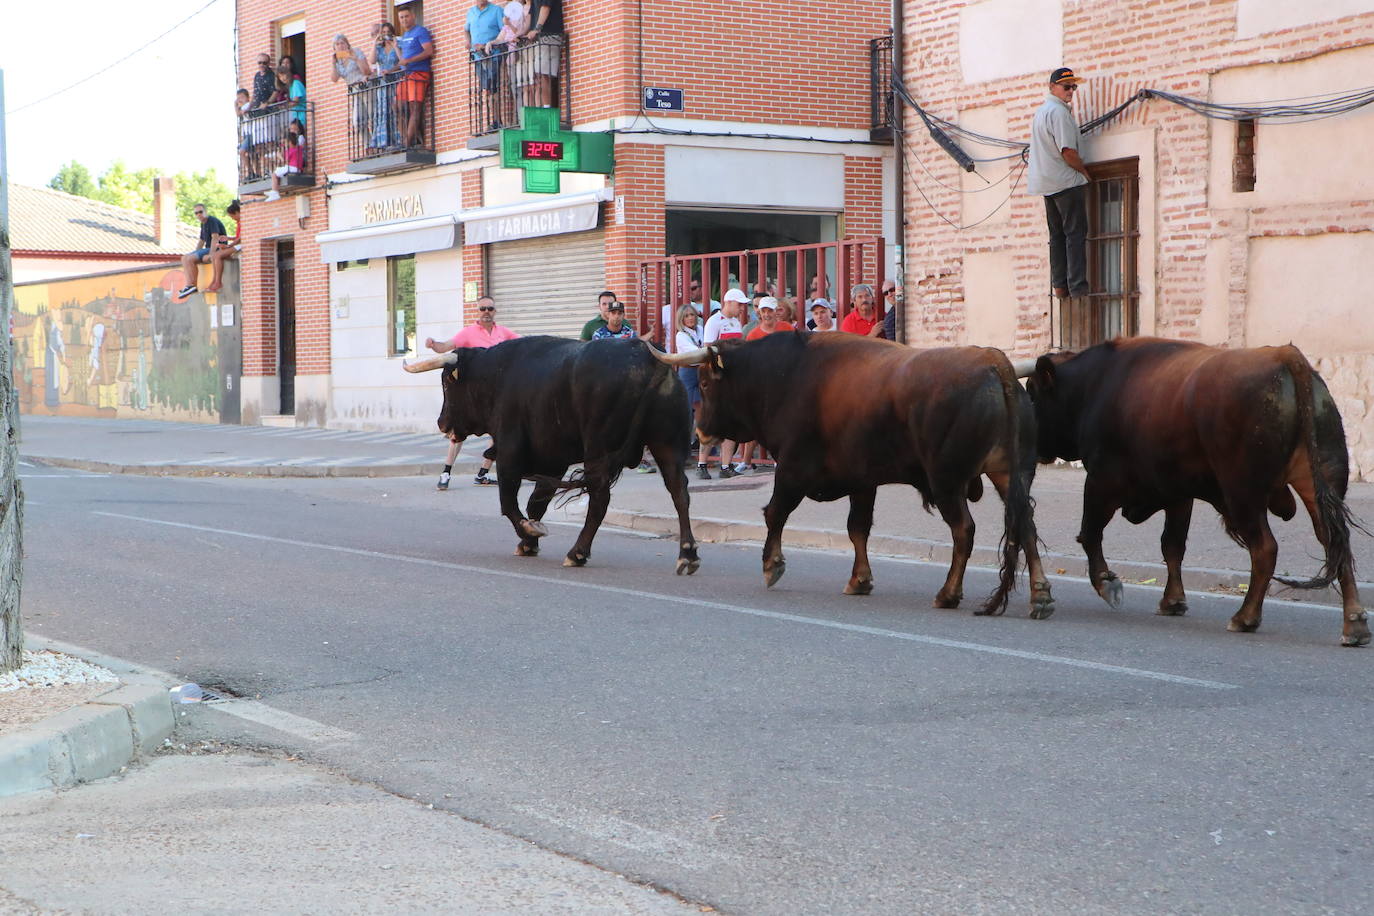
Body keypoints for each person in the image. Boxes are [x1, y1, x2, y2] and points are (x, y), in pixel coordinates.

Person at [424, 296, 519, 488]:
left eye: (490, 308)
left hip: (496, 391)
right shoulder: (468, 333)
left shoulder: (503, 332)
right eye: (482, 308)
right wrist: (434, 344)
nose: (486, 312)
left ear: (495, 311)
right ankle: (446, 473)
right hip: (472, 392)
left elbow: (524, 344)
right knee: (458, 432)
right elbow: (446, 347)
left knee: (498, 432)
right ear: (478, 311)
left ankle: (483, 473)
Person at [1028, 67, 1092, 306]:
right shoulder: (1059, 113)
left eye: (1073, 87)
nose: (1071, 92)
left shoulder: (1040, 113)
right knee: (1074, 235)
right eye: (1067, 87)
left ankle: (1060, 285)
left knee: (1056, 236)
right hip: (1065, 181)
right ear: (1052, 87)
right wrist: (1084, 171)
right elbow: (1068, 151)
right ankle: (1077, 288)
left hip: (1046, 184)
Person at [674, 305, 712, 479]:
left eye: (692, 314)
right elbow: (695, 352)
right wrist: (705, 352)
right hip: (688, 372)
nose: (690, 318)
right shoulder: (681, 335)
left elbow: (704, 349)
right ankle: (684, 449)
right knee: (686, 411)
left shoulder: (701, 329)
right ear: (681, 319)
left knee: (701, 409)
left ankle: (705, 442)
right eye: (687, 315)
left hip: (701, 371)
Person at [395, 7, 435, 148]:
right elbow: (403, 60)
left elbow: (429, 51)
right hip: (406, 75)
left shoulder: (421, 31)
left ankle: (408, 142)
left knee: (415, 108)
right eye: (401, 17)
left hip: (419, 73)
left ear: (413, 16)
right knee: (397, 107)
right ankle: (406, 138)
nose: (404, 19)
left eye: (406, 16)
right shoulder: (405, 35)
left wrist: (409, 61)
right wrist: (390, 70)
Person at [467, 0, 505, 131]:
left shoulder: (496, 10)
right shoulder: (471, 12)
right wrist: (469, 44)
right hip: (478, 57)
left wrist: (487, 45)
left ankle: (497, 120)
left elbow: (503, 31)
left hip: (493, 54)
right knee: (487, 89)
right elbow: (466, 30)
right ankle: (493, 120)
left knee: (493, 87)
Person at [177, 203, 228, 299]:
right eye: (196, 213)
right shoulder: (203, 224)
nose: (199, 215)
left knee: (190, 258)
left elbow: (215, 237)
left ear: (205, 212)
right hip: (208, 248)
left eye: (200, 212)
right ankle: (189, 285)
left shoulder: (211, 221)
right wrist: (195, 252)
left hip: (217, 247)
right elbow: (202, 240)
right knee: (184, 258)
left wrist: (211, 254)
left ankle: (192, 285)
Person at [522, 0, 563, 108]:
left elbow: (545, 8)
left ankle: (547, 108)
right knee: (539, 75)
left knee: (543, 74)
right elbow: (530, 18)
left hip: (549, 37)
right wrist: (519, 35)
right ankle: (543, 107)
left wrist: (537, 29)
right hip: (540, 39)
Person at [370, 22, 402, 150]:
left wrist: (395, 46)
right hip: (383, 83)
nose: (386, 34)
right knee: (383, 111)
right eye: (383, 32)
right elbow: (372, 60)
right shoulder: (379, 48)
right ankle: (383, 141)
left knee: (395, 110)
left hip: (395, 80)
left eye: (388, 32)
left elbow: (402, 61)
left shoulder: (397, 45)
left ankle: (397, 140)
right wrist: (374, 43)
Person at [204, 200, 242, 293]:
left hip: (241, 245)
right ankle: (214, 281)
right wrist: (228, 238)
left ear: (237, 212)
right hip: (238, 244)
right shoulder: (239, 222)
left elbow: (241, 238)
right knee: (214, 256)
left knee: (217, 255)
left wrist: (229, 246)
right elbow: (238, 237)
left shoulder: (243, 221)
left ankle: (218, 282)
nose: (232, 218)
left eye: (232, 216)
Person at [263, 118, 305, 201]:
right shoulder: (299, 148)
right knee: (279, 172)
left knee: (274, 174)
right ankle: (273, 190)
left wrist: (280, 157)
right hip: (298, 169)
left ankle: (275, 192)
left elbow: (284, 161)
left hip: (292, 168)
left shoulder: (289, 150)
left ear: (289, 142)